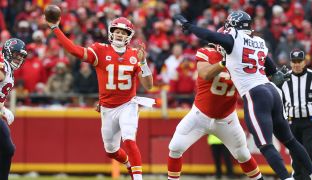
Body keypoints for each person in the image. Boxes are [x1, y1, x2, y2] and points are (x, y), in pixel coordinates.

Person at [174, 10, 312, 180]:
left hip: (256, 94)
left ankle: (287, 179)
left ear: (233, 25)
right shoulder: (258, 41)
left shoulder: (233, 40)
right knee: (290, 141)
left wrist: (189, 26)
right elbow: (273, 72)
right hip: (271, 90)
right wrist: (277, 75)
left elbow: (209, 35)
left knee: (265, 145)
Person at [45, 16, 154, 180]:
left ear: (129, 36)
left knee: (129, 138)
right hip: (108, 108)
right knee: (111, 150)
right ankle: (128, 164)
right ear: (111, 33)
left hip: (128, 104)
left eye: (123, 32)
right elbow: (75, 50)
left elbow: (149, 86)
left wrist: (144, 63)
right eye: (116, 31)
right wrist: (55, 28)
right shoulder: (100, 50)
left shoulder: (134, 55)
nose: (119, 35)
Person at [167, 43, 263, 180]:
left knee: (243, 154)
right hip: (200, 115)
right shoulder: (208, 54)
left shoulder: (244, 61)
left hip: (227, 119)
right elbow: (205, 74)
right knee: (175, 147)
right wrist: (223, 63)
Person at [280, 49, 312, 180]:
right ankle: (298, 177)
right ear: (290, 63)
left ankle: (311, 177)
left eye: (299, 61)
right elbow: (279, 98)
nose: (297, 64)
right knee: (295, 151)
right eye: (294, 61)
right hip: (292, 120)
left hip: (310, 120)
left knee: (309, 150)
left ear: (305, 62)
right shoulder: (284, 78)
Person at [0, 38, 28, 180]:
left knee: (7, 149)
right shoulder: (3, 66)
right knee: (7, 148)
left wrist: (2, 108)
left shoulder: (8, 70)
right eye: (17, 55)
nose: (19, 59)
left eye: (22, 57)